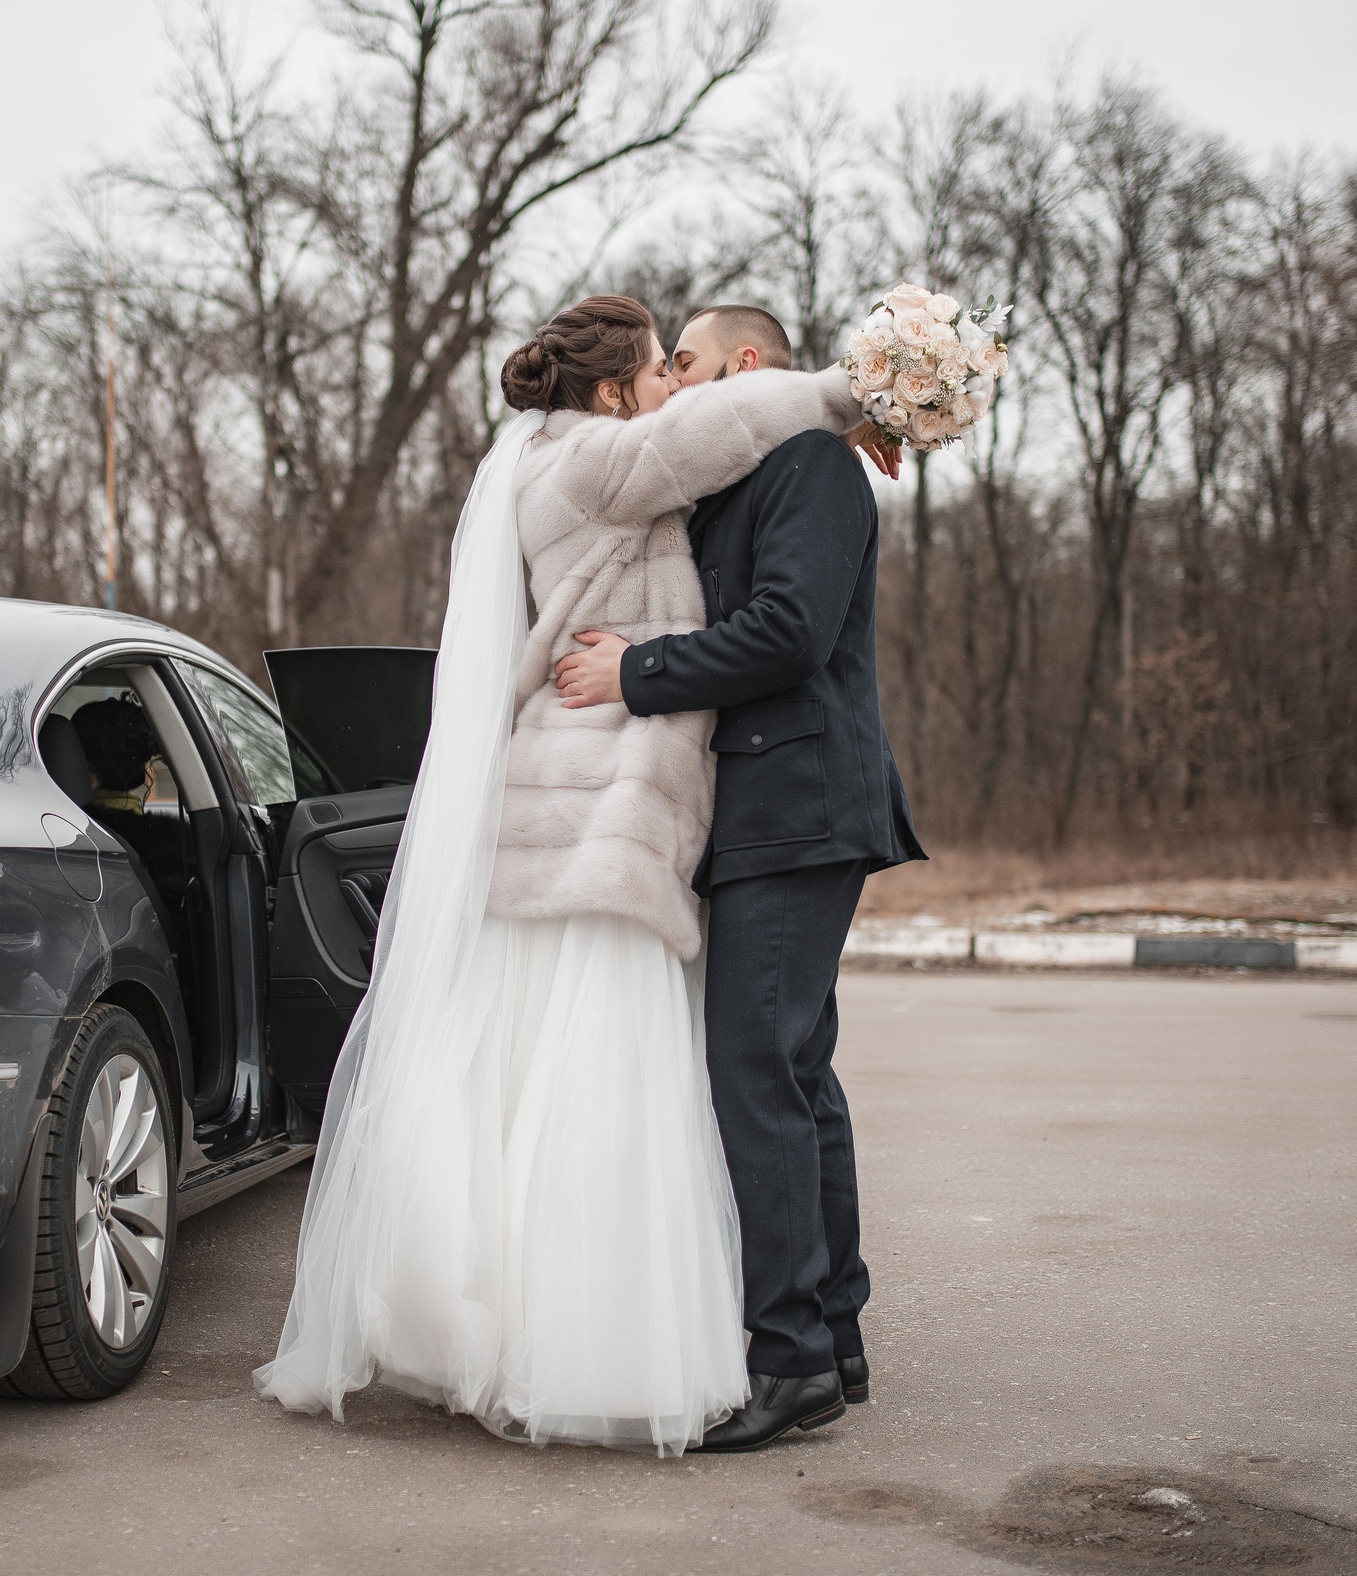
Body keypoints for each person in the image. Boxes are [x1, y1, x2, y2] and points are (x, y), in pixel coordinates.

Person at [254, 294, 868, 1455]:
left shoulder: (557, 462)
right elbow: (717, 430)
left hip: (581, 798)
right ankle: (605, 1344)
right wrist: (854, 392)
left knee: (576, 1078)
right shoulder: (593, 460)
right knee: (606, 1082)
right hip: (598, 804)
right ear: (610, 389)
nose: (676, 388)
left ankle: (765, 1335)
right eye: (659, 368)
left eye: (690, 367)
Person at [552, 303, 925, 1451]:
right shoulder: (731, 482)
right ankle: (835, 1334)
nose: (675, 381)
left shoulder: (810, 465)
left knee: (752, 1071)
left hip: (800, 805)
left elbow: (788, 633)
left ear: (746, 365)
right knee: (796, 1072)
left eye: (690, 363)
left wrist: (635, 671)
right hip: (768, 810)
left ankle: (789, 1363)